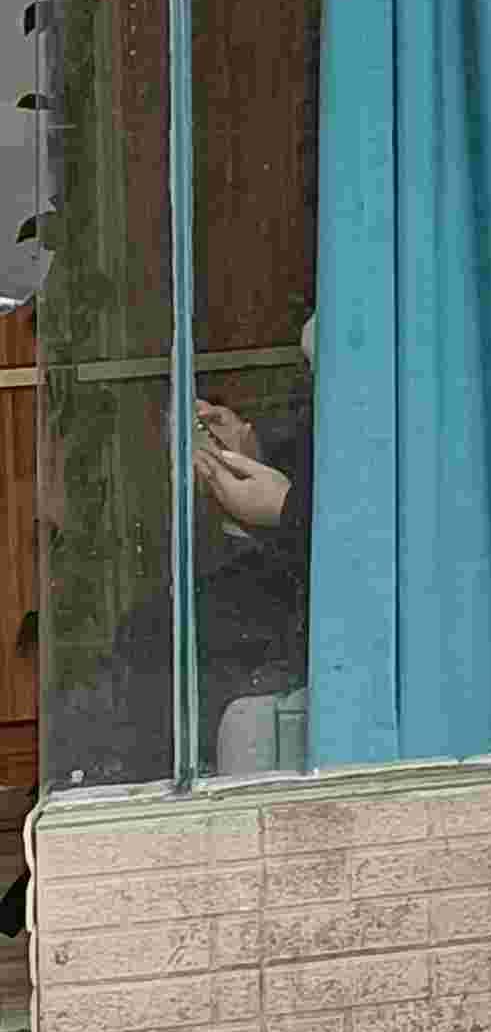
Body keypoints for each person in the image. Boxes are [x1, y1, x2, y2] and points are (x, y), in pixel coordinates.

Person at [191, 316, 315, 773]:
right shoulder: (179, 610)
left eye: (216, 425)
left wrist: (284, 510)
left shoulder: (314, 543)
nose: (205, 443)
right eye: (190, 438)